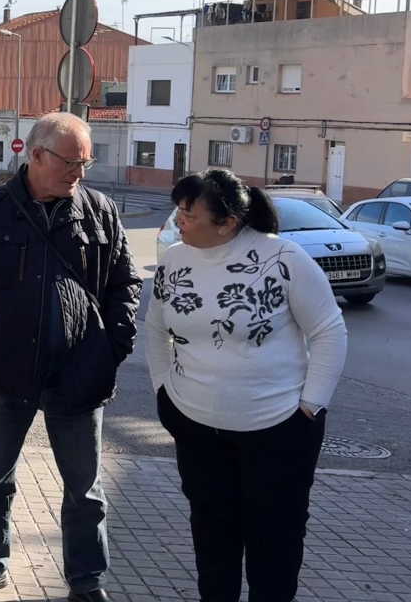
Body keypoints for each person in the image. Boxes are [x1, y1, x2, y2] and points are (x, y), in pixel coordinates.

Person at [0, 112, 141, 602]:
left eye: (86, 162)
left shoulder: (99, 211)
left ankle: (87, 582)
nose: (80, 173)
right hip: (4, 371)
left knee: (85, 490)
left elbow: (125, 284)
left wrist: (111, 350)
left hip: (80, 374)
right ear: (37, 154)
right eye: (72, 161)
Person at [148, 170, 347, 602]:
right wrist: (164, 391)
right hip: (197, 426)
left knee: (273, 537)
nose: (178, 220)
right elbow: (155, 328)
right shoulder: (175, 259)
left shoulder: (284, 259)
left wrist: (312, 404)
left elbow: (329, 330)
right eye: (178, 210)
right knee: (211, 531)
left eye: (188, 213)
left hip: (280, 429)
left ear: (227, 223)